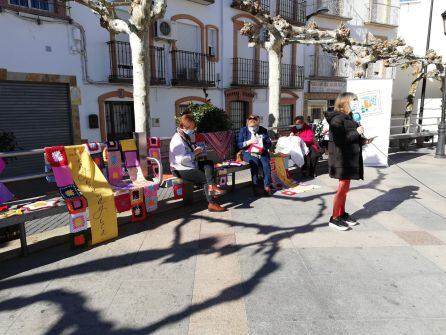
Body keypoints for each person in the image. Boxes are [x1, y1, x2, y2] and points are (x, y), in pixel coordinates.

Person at [324, 92, 374, 231]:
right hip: (341, 158)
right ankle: (334, 218)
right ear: (345, 102)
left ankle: (341, 214)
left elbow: (350, 138)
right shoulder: (336, 120)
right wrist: (357, 132)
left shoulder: (349, 117)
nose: (356, 103)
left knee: (345, 189)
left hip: (350, 157)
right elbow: (340, 140)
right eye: (354, 100)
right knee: (342, 189)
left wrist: (363, 140)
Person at [169, 114, 227, 212]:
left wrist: (196, 150)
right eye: (191, 128)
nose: (193, 130)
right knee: (205, 179)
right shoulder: (177, 140)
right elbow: (181, 160)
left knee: (208, 163)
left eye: (193, 128)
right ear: (183, 127)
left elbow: (187, 153)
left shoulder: (183, 136)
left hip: (189, 165)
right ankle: (211, 203)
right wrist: (194, 153)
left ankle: (212, 186)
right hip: (180, 169)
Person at [237, 115, 273, 196]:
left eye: (254, 119)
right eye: (250, 118)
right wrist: (249, 142)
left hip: (261, 152)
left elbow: (269, 143)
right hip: (248, 152)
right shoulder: (243, 130)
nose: (252, 120)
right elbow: (239, 145)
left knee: (266, 165)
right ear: (247, 121)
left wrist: (263, 148)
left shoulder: (263, 130)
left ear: (258, 121)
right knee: (254, 164)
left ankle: (267, 186)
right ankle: (255, 186)